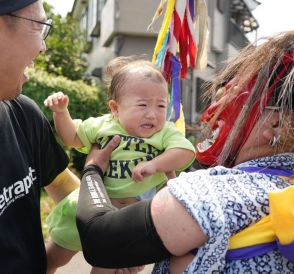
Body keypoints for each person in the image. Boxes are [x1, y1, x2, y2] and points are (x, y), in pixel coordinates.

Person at [76, 30, 294, 273]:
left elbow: (100, 238)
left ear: (278, 124)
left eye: (231, 100)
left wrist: (93, 169)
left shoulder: (221, 193)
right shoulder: (283, 185)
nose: (212, 112)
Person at [43, 57, 196, 273]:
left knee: (107, 266)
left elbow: (185, 151)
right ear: (115, 108)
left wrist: (155, 164)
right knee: (54, 257)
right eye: (142, 104)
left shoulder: (164, 133)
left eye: (161, 105)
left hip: (125, 222)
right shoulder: (103, 125)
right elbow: (72, 137)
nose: (152, 113)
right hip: (88, 208)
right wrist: (61, 113)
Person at [0, 1, 81, 273]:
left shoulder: (24, 114)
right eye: (38, 27)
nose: (43, 47)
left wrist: (116, 232)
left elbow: (63, 186)